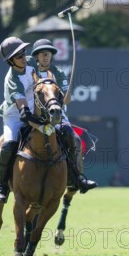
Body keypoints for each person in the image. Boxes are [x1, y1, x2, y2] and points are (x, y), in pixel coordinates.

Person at [30, 38, 97, 194]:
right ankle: (5, 182)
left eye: (48, 54)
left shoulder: (58, 73)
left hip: (57, 115)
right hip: (33, 116)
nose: (45, 57)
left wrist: (65, 93)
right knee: (12, 141)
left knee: (74, 139)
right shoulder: (29, 70)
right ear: (36, 57)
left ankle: (77, 177)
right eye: (42, 54)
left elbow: (67, 100)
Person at [0, 36, 39, 202]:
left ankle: (74, 177)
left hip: (37, 111)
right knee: (9, 145)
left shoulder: (31, 62)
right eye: (19, 56)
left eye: (24, 53)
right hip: (15, 116)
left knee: (60, 135)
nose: (23, 58)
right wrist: (33, 119)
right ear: (10, 61)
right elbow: (23, 109)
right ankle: (2, 186)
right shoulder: (12, 79)